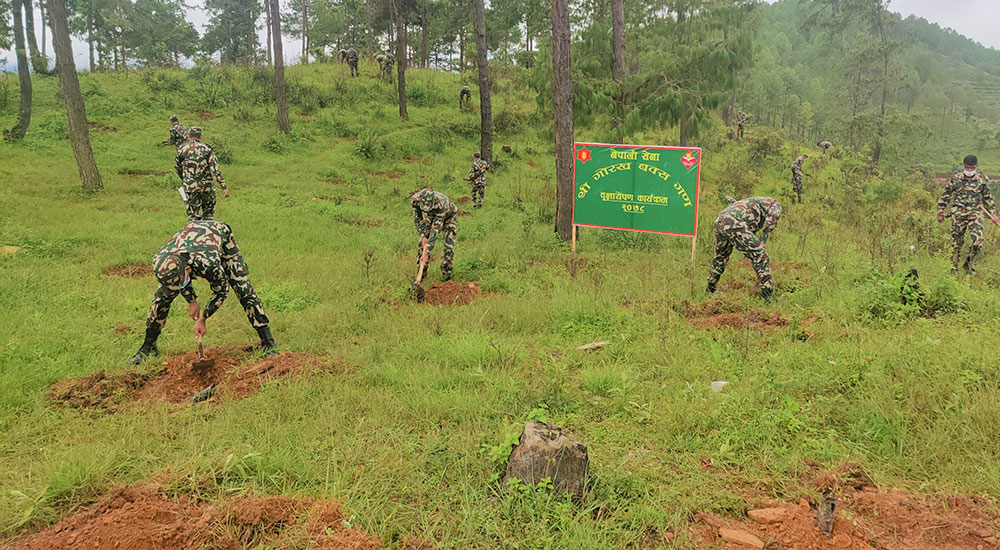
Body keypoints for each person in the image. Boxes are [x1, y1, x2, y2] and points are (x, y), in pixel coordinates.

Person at [129, 220, 277, 365]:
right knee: (161, 298)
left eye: (178, 283)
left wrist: (204, 317)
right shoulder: (161, 260)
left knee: (242, 288)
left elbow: (222, 291)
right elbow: (178, 283)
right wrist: (191, 300)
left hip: (219, 236)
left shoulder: (208, 264)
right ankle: (148, 348)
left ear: (188, 270)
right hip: (191, 239)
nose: (176, 287)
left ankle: (268, 342)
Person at [706, 196, 783, 301]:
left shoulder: (751, 202)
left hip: (719, 221)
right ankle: (767, 294)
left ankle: (710, 289)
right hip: (734, 222)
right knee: (760, 254)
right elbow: (772, 217)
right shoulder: (775, 205)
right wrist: (763, 241)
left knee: (721, 256)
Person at [937, 154, 998, 275]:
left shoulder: (982, 180)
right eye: (967, 167)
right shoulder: (956, 179)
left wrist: (993, 214)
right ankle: (953, 270)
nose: (969, 170)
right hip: (958, 214)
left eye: (972, 168)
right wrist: (940, 212)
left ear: (976, 167)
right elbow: (945, 196)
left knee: (978, 241)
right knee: (956, 244)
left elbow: (987, 198)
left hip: (975, 214)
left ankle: (968, 264)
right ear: (963, 166)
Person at [176, 127, 228, 221]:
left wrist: (186, 180)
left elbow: (178, 167)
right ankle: (208, 234)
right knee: (208, 215)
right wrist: (223, 186)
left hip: (190, 187)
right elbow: (215, 169)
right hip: (206, 187)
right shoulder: (207, 149)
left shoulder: (182, 149)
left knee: (193, 217)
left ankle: (193, 233)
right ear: (200, 136)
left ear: (188, 136)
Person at [411, 188, 458, 282]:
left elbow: (435, 230)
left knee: (448, 247)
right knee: (421, 245)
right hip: (430, 216)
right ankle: (421, 278)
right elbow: (417, 219)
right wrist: (423, 235)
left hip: (449, 217)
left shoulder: (441, 204)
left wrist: (427, 251)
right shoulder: (415, 200)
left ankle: (446, 277)